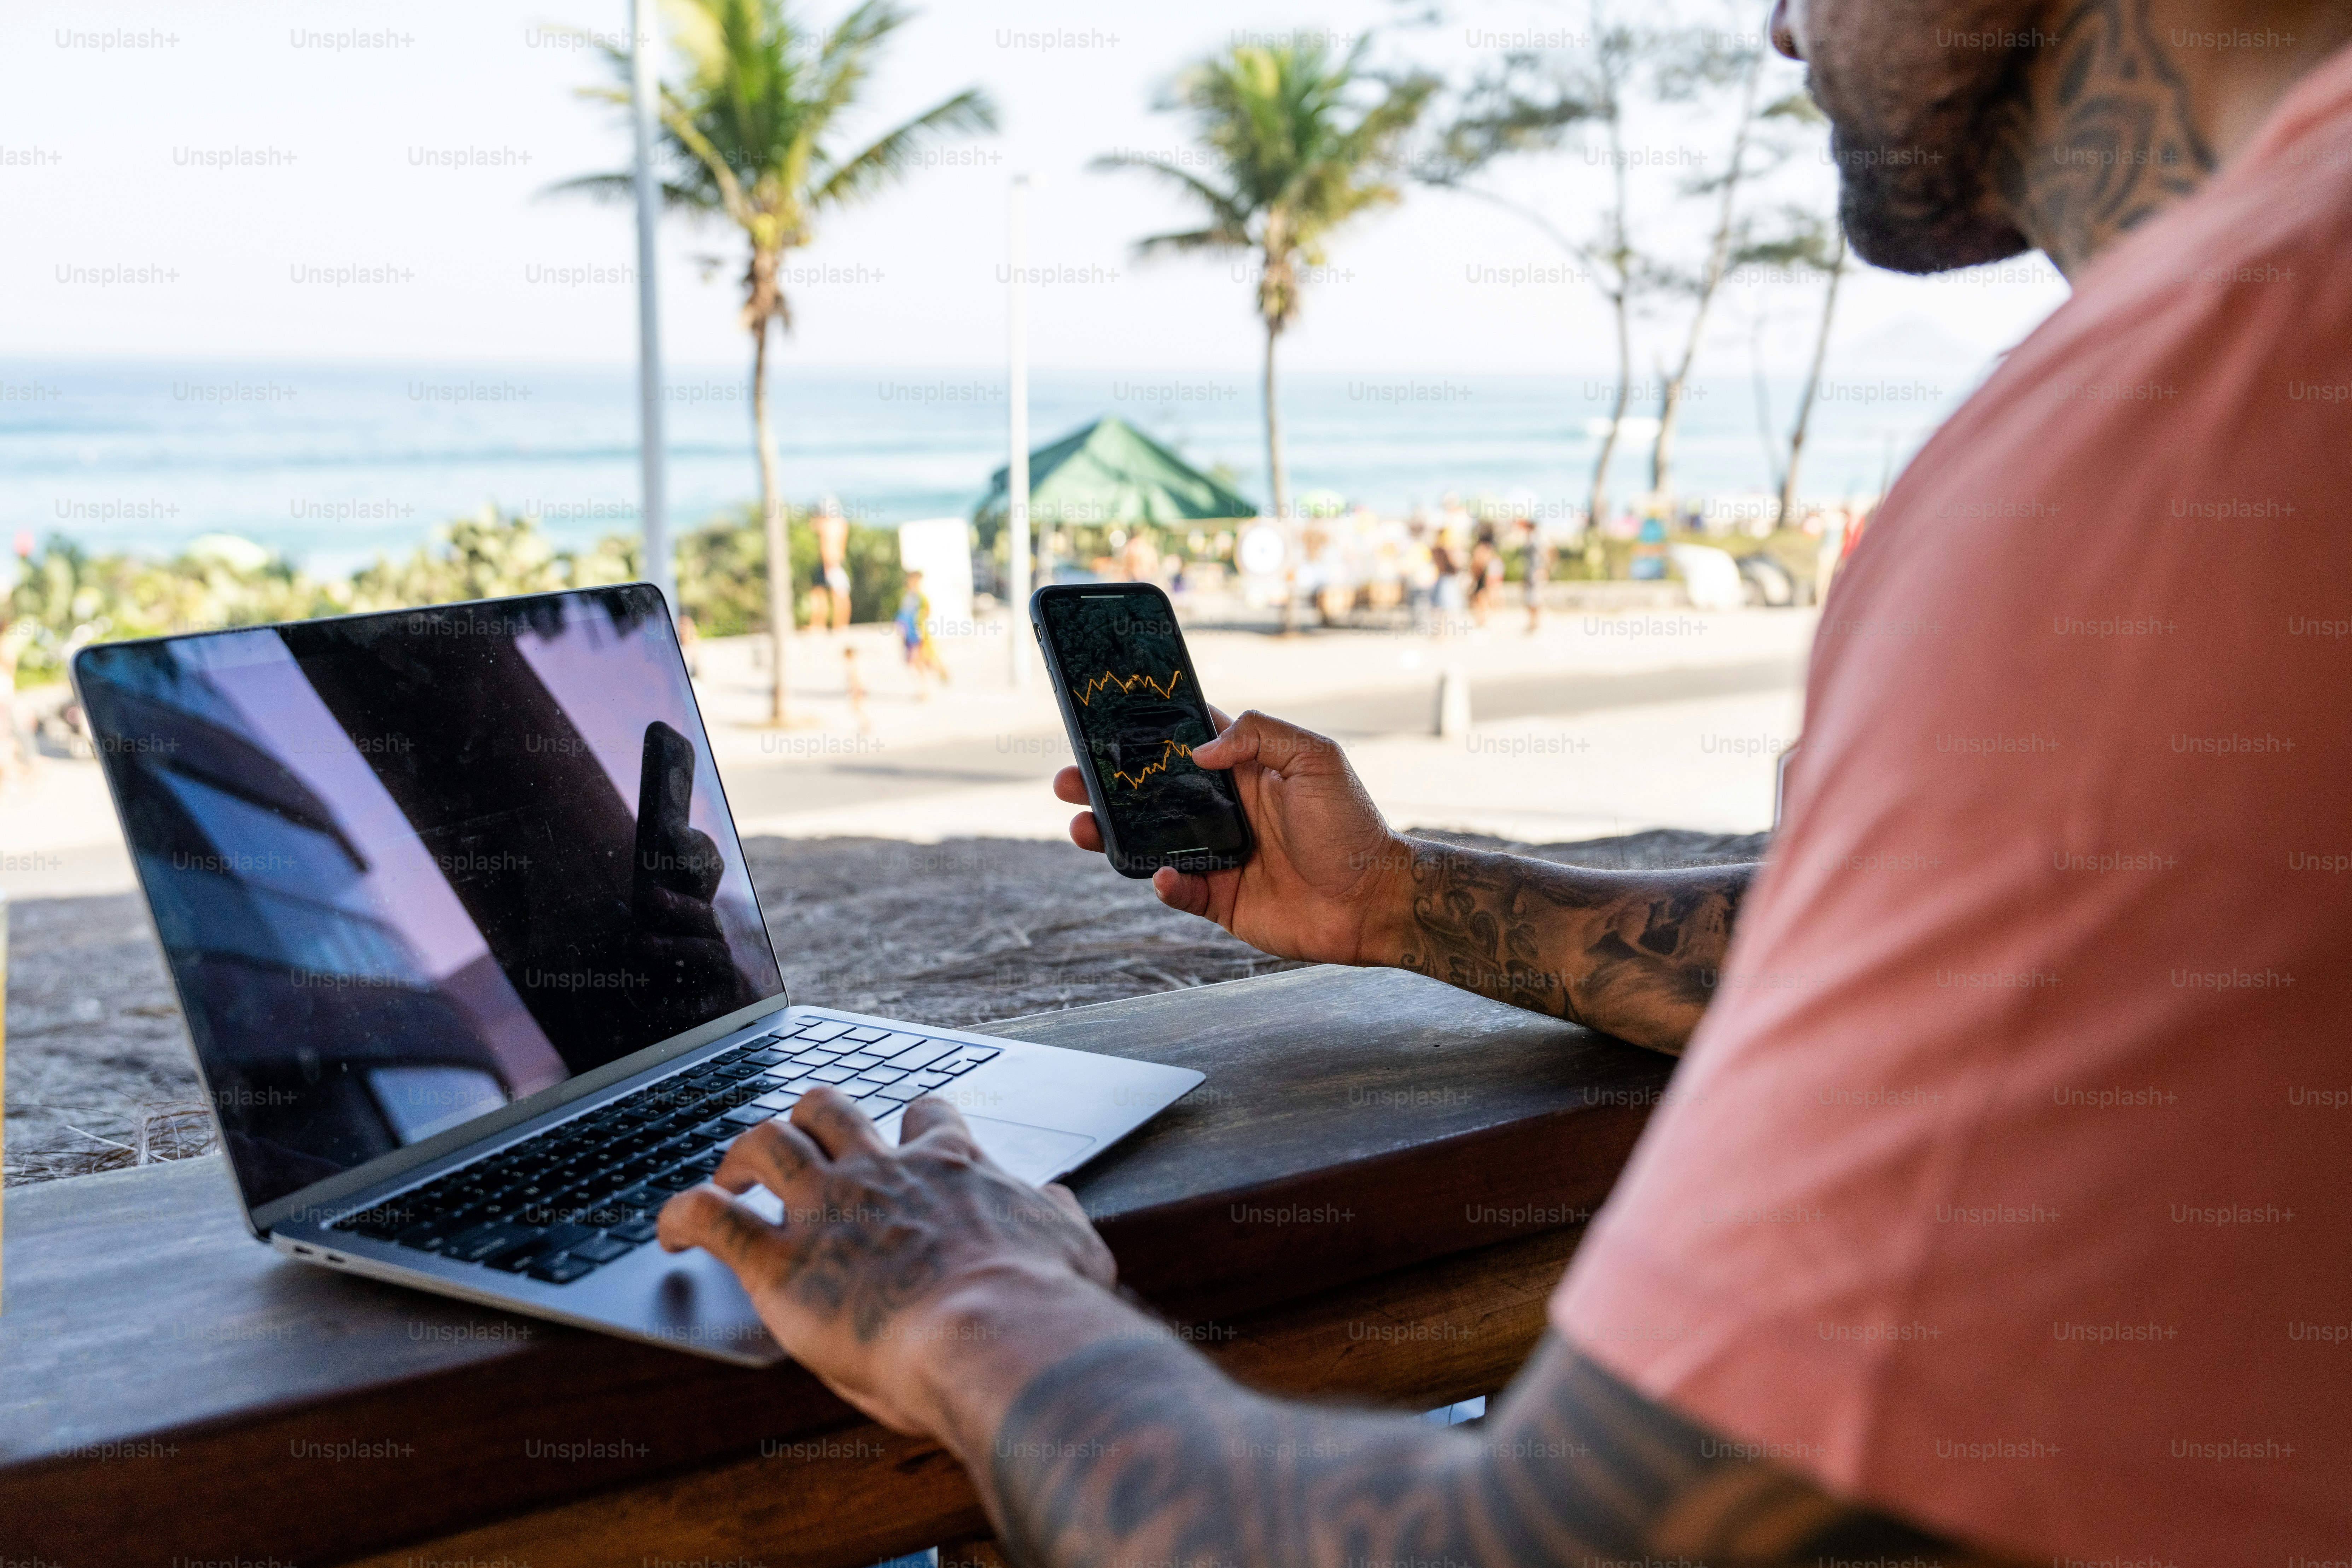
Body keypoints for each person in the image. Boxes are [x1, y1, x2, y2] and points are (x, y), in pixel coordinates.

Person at [657, 4, 2352, 1565]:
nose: (1778, 22)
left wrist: (968, 1301)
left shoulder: (2193, 426)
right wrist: (1405, 899)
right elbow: (2034, 964)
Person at [894, 569, 948, 699]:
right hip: (909, 634)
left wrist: (918, 622)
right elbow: (903, 615)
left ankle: (926, 688)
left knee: (918, 660)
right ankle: (937, 674)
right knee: (919, 660)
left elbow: (927, 612)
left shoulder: (920, 597)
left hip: (917, 633)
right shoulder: (907, 596)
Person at [813, 497, 852, 634]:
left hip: (832, 563)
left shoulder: (830, 525)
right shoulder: (841, 523)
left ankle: (839, 626)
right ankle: (835, 626)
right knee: (821, 593)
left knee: (838, 594)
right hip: (832, 562)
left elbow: (815, 527)